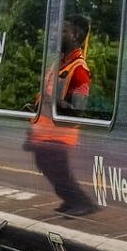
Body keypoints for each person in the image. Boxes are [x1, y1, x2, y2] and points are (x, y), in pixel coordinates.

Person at [30, 14, 95, 215]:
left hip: (61, 136)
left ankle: (81, 202)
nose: (59, 35)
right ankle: (72, 201)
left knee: (59, 172)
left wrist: (51, 103)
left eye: (64, 31)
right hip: (46, 134)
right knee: (49, 168)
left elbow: (78, 108)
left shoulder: (79, 70)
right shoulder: (60, 64)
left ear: (76, 36)